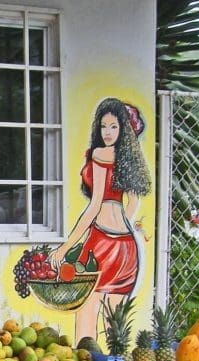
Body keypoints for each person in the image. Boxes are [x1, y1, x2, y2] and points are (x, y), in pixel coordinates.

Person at [47, 97, 151, 342]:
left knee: (86, 311)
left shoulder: (101, 154)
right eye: (104, 126)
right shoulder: (129, 158)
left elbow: (93, 207)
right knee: (114, 323)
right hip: (126, 246)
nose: (107, 132)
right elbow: (133, 202)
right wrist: (125, 224)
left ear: (123, 128)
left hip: (102, 242)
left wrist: (64, 248)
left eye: (114, 126)